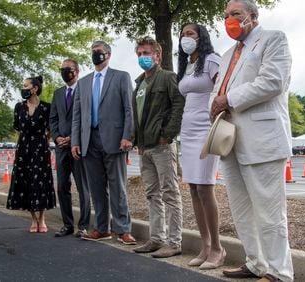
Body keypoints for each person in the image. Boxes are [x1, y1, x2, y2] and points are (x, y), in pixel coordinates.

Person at [209, 0, 294, 281]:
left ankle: (279, 273)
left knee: (269, 212)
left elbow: (273, 81)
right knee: (242, 209)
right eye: (226, 16)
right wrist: (214, 105)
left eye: (236, 14)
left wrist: (227, 100)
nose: (229, 20)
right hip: (230, 140)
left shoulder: (273, 40)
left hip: (263, 140)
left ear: (253, 17)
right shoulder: (226, 54)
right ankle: (256, 263)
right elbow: (218, 90)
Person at [71, 40, 136, 245]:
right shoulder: (83, 82)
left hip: (115, 140)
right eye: (92, 52)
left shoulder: (121, 77)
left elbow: (129, 109)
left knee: (118, 187)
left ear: (108, 55)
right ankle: (101, 228)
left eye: (98, 52)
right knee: (97, 188)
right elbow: (77, 115)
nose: (95, 55)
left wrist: (128, 136)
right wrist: (75, 141)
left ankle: (123, 229)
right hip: (89, 140)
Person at [131, 36, 185, 258]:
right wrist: (138, 141)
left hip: (162, 146)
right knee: (152, 194)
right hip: (145, 148)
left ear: (158, 55)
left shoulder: (168, 78)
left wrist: (167, 135)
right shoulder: (140, 83)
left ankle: (174, 242)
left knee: (170, 193)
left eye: (147, 53)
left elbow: (179, 105)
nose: (143, 57)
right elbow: (138, 115)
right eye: (140, 53)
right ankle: (156, 239)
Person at [177, 23, 225, 269]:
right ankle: (205, 245)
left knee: (206, 188)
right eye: (183, 34)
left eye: (191, 34)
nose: (186, 38)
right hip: (188, 129)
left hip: (206, 129)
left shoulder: (212, 60)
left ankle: (218, 248)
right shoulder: (186, 66)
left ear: (201, 37)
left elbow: (222, 90)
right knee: (193, 188)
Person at [7, 76, 56, 233]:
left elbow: (50, 129)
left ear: (35, 88)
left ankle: (42, 218)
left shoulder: (47, 107)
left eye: (26, 86)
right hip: (24, 148)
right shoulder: (19, 107)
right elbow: (18, 127)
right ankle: (33, 219)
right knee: (26, 180)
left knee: (40, 181)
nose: (23, 89)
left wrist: (43, 140)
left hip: (41, 147)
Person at [50, 59, 91, 238]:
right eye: (62, 69)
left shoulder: (85, 90)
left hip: (78, 148)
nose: (65, 72)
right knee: (62, 187)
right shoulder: (58, 94)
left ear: (77, 71)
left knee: (83, 187)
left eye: (68, 69)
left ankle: (83, 226)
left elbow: (87, 117)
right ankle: (67, 224)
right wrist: (57, 137)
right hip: (61, 148)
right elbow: (53, 119)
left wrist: (73, 139)